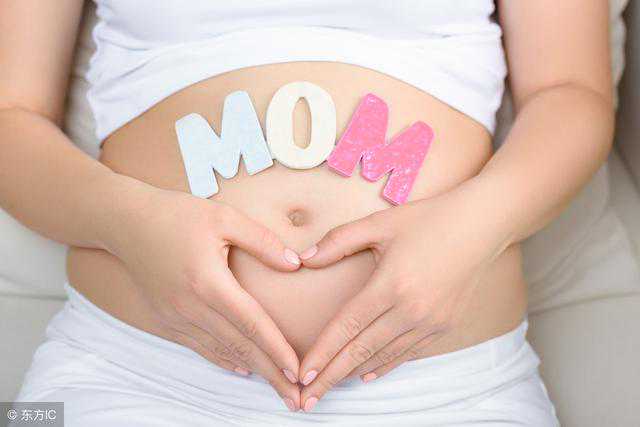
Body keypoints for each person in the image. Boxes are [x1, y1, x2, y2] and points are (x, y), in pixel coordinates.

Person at [1, 1, 613, 425]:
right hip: (129, 376)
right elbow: (9, 117)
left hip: (451, 393)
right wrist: (128, 222)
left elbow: (572, 93)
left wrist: (469, 228)